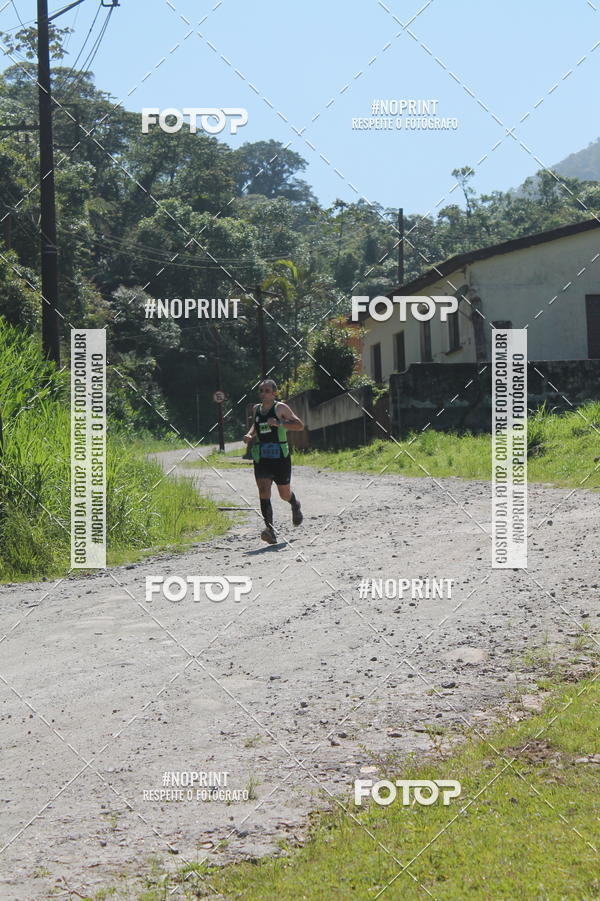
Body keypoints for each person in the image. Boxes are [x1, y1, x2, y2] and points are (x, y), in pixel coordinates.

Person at [243, 379, 304, 544]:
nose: (263, 394)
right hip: (262, 456)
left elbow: (299, 425)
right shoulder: (256, 409)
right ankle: (270, 530)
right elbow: (255, 426)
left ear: (274, 393)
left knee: (284, 494)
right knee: (264, 491)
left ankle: (295, 504)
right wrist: (250, 434)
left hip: (280, 457)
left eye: (267, 391)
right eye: (261, 391)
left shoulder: (280, 408)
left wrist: (279, 423)